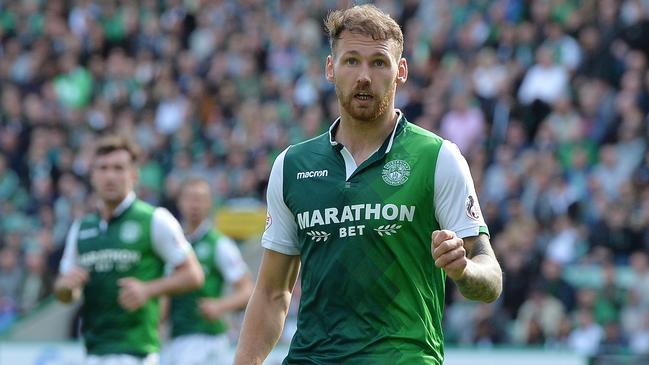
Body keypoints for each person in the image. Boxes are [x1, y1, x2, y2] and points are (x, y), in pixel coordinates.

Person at [234, 5, 502, 365]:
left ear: (400, 72)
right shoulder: (292, 166)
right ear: (331, 68)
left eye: (378, 63)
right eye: (351, 61)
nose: (364, 76)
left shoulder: (437, 157)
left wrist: (464, 270)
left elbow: (491, 278)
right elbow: (271, 293)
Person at [54, 134, 204, 365]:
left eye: (118, 168)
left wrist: (149, 289)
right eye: (103, 168)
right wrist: (65, 288)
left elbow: (194, 275)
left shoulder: (155, 219)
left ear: (134, 175)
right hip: (93, 352)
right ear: (93, 175)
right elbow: (67, 290)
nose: (110, 175)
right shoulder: (81, 228)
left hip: (137, 352)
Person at [162, 177, 253, 365]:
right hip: (175, 337)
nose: (195, 204)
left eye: (200, 199)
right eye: (190, 198)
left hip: (207, 338)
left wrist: (221, 306)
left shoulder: (219, 244)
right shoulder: (172, 242)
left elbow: (247, 290)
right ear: (180, 202)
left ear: (209, 203)